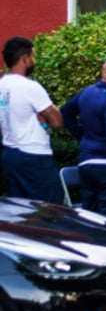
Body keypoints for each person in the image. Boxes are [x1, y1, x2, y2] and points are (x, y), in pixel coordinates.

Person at [60, 56, 106, 216]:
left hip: (86, 163)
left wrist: (83, 137)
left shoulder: (86, 93)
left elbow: (65, 113)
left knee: (89, 218)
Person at [0, 36, 64, 203]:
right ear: (25, 58)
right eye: (33, 56)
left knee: (21, 211)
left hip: (10, 153)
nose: (34, 61)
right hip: (35, 155)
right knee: (50, 210)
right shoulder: (30, 87)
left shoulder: (2, 85)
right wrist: (45, 112)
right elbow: (57, 121)